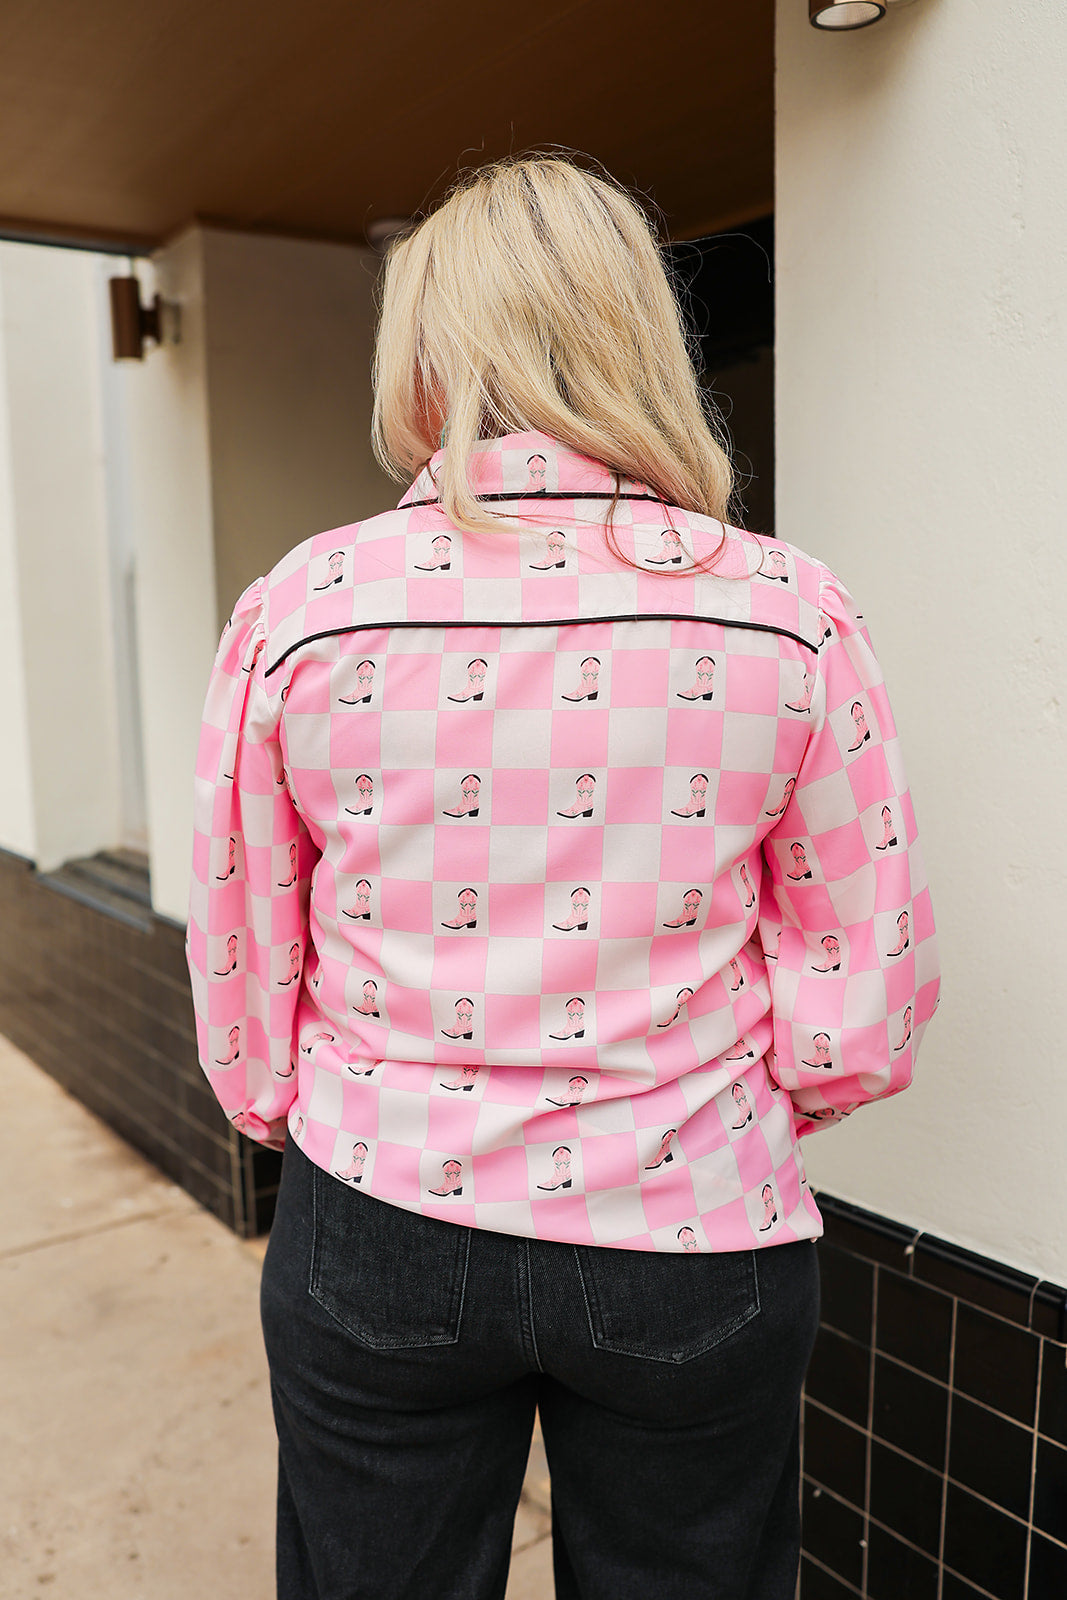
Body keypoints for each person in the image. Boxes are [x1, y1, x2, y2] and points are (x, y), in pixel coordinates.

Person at [187, 155, 939, 1600]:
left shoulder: (308, 606)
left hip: (379, 1214)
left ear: (422, 355)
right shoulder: (783, 608)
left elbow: (243, 947)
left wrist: (286, 1107)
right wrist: (738, 1094)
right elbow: (863, 993)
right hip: (693, 1221)